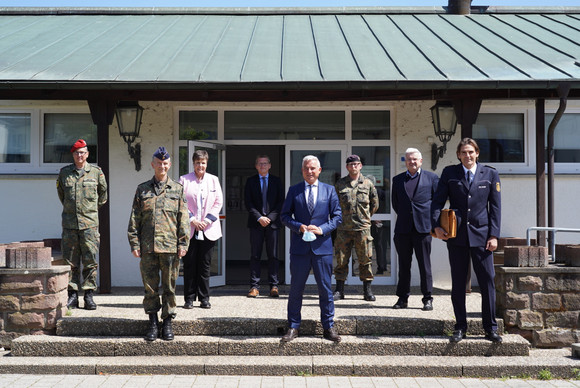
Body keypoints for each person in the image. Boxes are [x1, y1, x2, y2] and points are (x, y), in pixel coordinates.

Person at [431, 138, 502, 343]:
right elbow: (437, 202)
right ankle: (460, 327)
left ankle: (490, 328)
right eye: (463, 152)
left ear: (477, 153)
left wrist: (494, 235)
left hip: (483, 237)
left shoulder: (490, 174)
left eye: (471, 152)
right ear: (458, 155)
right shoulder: (450, 173)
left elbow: (495, 208)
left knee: (487, 281)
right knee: (459, 283)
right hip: (457, 236)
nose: (468, 156)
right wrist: (436, 225)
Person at [127, 147, 190, 341]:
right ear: (152, 164)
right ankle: (153, 322)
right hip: (148, 247)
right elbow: (134, 218)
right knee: (150, 288)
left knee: (169, 287)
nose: (162, 166)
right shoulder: (142, 189)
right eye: (158, 163)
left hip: (170, 246)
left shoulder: (177, 189)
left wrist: (183, 243)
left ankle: (168, 322)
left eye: (165, 163)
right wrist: (134, 243)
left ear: (169, 165)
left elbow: (183, 219)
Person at [280, 155, 342, 343]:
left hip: (322, 248)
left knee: (325, 289)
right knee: (296, 290)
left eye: (313, 168)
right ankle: (293, 326)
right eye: (306, 168)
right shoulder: (294, 190)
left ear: (320, 170)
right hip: (300, 249)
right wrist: (298, 226)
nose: (310, 171)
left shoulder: (329, 191)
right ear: (302, 170)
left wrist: (322, 229)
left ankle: (328, 326)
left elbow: (337, 217)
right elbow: (284, 216)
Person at [56, 139, 107, 310]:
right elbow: (62, 195)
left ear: (87, 154)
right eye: (77, 152)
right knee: (70, 262)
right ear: (73, 154)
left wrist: (88, 211)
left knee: (90, 261)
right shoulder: (64, 173)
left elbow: (103, 196)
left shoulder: (96, 173)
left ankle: (89, 295)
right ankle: (72, 295)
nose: (80, 155)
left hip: (90, 225)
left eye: (83, 152)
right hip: (70, 225)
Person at [392, 148, 438, 311]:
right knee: (404, 265)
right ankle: (402, 298)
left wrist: (433, 223)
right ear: (405, 161)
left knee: (425, 265)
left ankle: (427, 298)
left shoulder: (432, 178)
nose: (412, 162)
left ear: (421, 161)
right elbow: (396, 204)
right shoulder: (397, 180)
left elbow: (437, 203)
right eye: (409, 159)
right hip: (403, 229)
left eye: (415, 159)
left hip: (423, 229)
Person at [180, 149, 223, 310]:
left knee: (205, 266)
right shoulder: (184, 180)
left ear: (207, 163)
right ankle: (189, 299)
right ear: (193, 163)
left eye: (203, 162)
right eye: (197, 162)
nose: (200, 165)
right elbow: (181, 202)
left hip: (208, 228)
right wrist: (193, 220)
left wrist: (205, 221)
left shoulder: (213, 180)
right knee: (189, 265)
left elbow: (218, 202)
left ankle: (204, 298)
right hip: (190, 229)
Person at [333, 155, 379, 301]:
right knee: (341, 260)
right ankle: (339, 290)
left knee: (365, 260)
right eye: (351, 164)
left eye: (356, 164)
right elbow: (334, 205)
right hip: (343, 229)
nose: (353, 167)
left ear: (360, 166)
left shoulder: (368, 184)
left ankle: (367, 291)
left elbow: (374, 204)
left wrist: (364, 218)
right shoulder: (340, 184)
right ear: (347, 167)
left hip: (362, 229)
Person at [244, 155, 284, 298]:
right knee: (255, 255)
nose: (262, 166)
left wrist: (270, 218)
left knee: (273, 255)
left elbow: (281, 202)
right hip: (256, 224)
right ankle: (254, 287)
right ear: (256, 166)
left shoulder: (277, 181)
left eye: (265, 163)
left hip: (272, 225)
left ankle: (274, 286)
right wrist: (260, 217)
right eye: (260, 164)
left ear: (270, 165)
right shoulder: (250, 181)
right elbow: (248, 202)